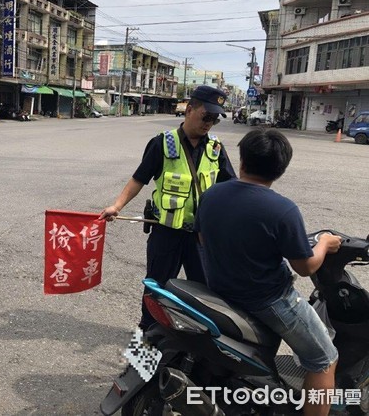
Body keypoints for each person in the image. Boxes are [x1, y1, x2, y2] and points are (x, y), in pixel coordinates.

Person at [194, 128, 341, 416]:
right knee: (324, 358)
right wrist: (324, 243)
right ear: (280, 169)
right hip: (268, 301)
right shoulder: (282, 210)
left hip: (219, 289)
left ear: (242, 161)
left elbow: (202, 239)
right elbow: (305, 266)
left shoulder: (212, 195)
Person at [99, 85, 236, 329]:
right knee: (156, 288)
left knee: (205, 293)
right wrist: (116, 206)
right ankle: (147, 342)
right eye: (206, 116)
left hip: (201, 237)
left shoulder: (215, 148)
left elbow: (232, 187)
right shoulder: (162, 143)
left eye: (214, 119)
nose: (209, 124)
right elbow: (139, 179)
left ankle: (197, 344)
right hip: (166, 233)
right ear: (189, 110)